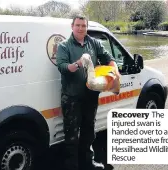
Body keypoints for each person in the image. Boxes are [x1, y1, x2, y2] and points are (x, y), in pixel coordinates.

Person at [56, 16, 120, 170]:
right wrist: (78, 63)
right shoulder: (64, 46)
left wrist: (115, 71)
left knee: (89, 131)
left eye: (83, 25)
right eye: (77, 25)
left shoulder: (94, 43)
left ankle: (87, 162)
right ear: (72, 26)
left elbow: (109, 58)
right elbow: (63, 67)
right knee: (71, 134)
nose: (80, 28)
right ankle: (72, 166)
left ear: (86, 27)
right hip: (72, 98)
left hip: (90, 97)